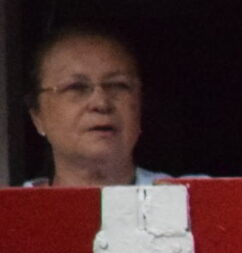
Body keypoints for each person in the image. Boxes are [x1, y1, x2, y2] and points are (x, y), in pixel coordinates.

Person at [21, 28, 167, 187]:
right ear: (37, 116)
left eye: (118, 85)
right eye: (76, 87)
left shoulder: (185, 200)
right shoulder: (12, 209)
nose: (101, 103)